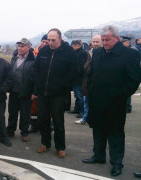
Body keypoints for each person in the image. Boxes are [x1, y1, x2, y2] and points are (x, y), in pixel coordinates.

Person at [82, 25, 141, 177]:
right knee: (98, 129)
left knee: (115, 134)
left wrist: (120, 96)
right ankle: (99, 156)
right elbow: (92, 74)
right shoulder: (98, 52)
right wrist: (91, 91)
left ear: (116, 38)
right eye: (102, 40)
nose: (104, 43)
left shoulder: (129, 54)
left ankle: (116, 163)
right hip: (97, 100)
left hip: (116, 102)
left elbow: (134, 80)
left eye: (107, 40)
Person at [34, 28, 78, 158]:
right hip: (43, 93)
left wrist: (62, 85)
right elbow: (35, 69)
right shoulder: (44, 51)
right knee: (42, 120)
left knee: (58, 121)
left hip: (58, 94)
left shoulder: (68, 52)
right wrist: (38, 84)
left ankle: (60, 147)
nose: (50, 42)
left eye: (53, 40)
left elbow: (74, 71)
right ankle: (45, 143)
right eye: (49, 40)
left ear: (60, 39)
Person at [6, 38, 35, 142]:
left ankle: (24, 132)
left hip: (26, 92)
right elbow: (10, 72)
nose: (19, 48)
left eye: (22, 46)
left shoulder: (33, 60)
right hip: (14, 90)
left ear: (28, 47)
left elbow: (35, 77)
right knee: (12, 112)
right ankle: (10, 130)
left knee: (25, 113)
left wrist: (34, 92)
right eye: (19, 46)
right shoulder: (14, 58)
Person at [70, 40, 89, 119]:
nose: (72, 48)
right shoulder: (76, 53)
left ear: (77, 45)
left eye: (73, 46)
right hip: (75, 79)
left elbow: (81, 67)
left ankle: (82, 111)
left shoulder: (82, 54)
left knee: (80, 96)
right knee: (76, 95)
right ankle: (77, 109)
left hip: (79, 79)